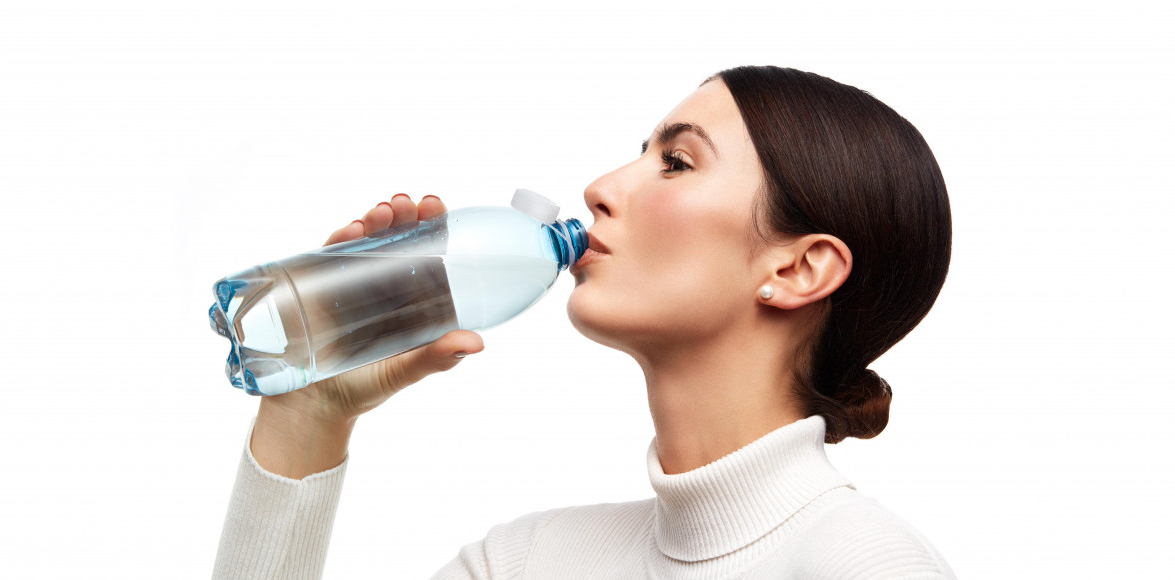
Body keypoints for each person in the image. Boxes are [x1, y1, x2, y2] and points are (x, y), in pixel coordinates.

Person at [213, 65, 956, 579]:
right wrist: (309, 414)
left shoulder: (868, 566)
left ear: (797, 270)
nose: (599, 188)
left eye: (676, 162)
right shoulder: (526, 563)